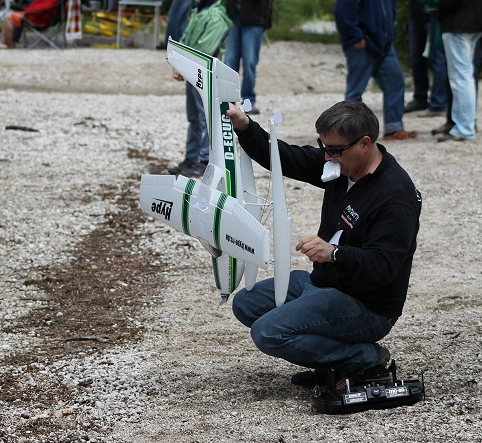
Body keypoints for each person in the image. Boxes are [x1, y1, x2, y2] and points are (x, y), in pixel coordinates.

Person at [226, 100, 422, 390]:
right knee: (246, 304)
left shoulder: (394, 196)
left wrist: (334, 254)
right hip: (325, 283)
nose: (327, 155)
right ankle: (334, 363)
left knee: (268, 332)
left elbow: (383, 268)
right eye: (323, 146)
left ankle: (362, 358)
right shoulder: (341, 165)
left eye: (334, 149)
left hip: (367, 304)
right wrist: (245, 126)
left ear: (364, 144)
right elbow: (286, 158)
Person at [335, 0, 418, 141]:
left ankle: (393, 129)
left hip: (385, 46)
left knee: (395, 82)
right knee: (355, 92)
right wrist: (356, 37)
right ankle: (350, 135)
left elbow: (391, 11)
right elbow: (342, 12)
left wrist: (390, 33)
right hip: (361, 46)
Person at [167, 0, 232, 177]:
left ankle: (203, 160)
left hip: (206, 74)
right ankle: (191, 157)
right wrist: (177, 63)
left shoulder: (216, 16)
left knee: (205, 118)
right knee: (194, 117)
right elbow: (184, 39)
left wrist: (183, 65)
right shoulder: (198, 12)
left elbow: (205, 49)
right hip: (191, 71)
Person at [434, 0, 482, 142]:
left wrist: (439, 11)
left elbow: (447, 4)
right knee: (465, 76)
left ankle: (464, 129)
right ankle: (462, 126)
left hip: (458, 24)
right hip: (475, 22)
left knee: (460, 78)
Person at [224, 0, 273, 115]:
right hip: (233, 15)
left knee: (249, 62)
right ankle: (228, 100)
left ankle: (248, 101)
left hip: (254, 18)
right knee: (229, 62)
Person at [404, 0, 448, 117]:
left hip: (436, 13)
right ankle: (420, 98)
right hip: (416, 12)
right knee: (416, 58)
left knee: (437, 59)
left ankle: (439, 102)